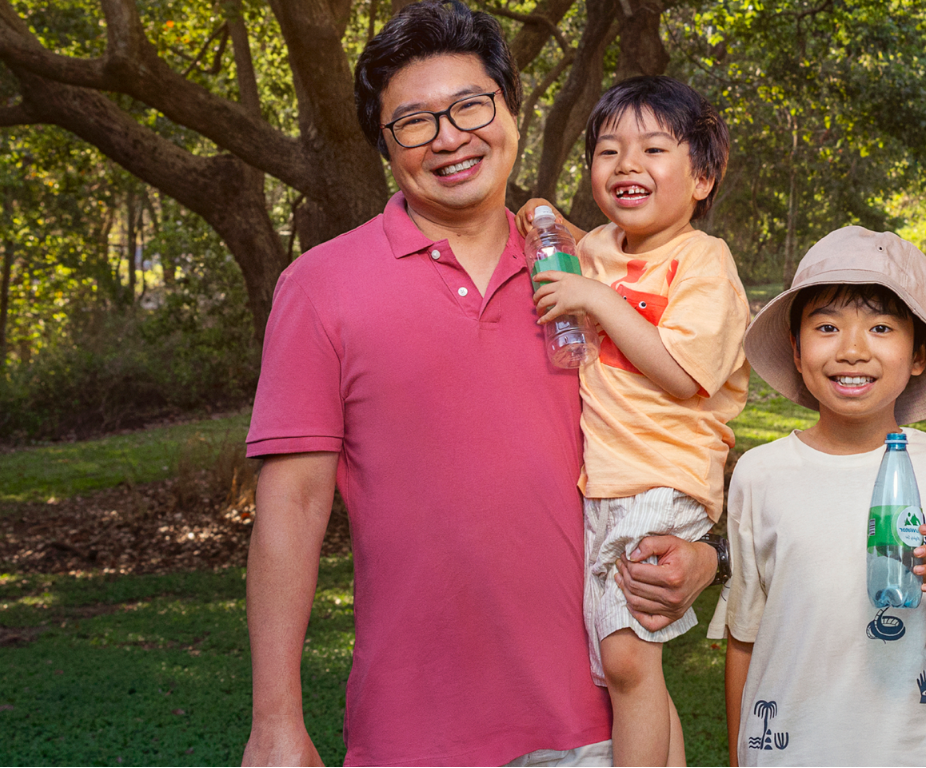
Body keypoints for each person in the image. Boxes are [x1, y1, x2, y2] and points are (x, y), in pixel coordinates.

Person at [239, 3, 717, 765]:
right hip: (414, 734)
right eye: (414, 122)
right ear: (385, 145)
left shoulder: (594, 275)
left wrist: (700, 555)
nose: (451, 136)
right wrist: (274, 720)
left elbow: (675, 427)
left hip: (601, 728)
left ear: (511, 111)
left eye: (471, 105)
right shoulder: (320, 286)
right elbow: (292, 504)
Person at [523, 75, 749, 767]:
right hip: (604, 484)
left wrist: (596, 296)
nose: (626, 165)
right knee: (627, 665)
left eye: (653, 149)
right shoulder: (598, 250)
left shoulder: (702, 262)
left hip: (664, 479)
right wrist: (542, 222)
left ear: (702, 178)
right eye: (609, 150)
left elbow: (683, 373)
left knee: (626, 660)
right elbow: (556, 238)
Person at [714, 227, 926, 766]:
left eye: (881, 327)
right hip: (786, 751)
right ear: (795, 348)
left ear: (918, 355)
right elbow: (744, 636)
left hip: (911, 751)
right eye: (828, 326)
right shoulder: (760, 474)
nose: (853, 350)